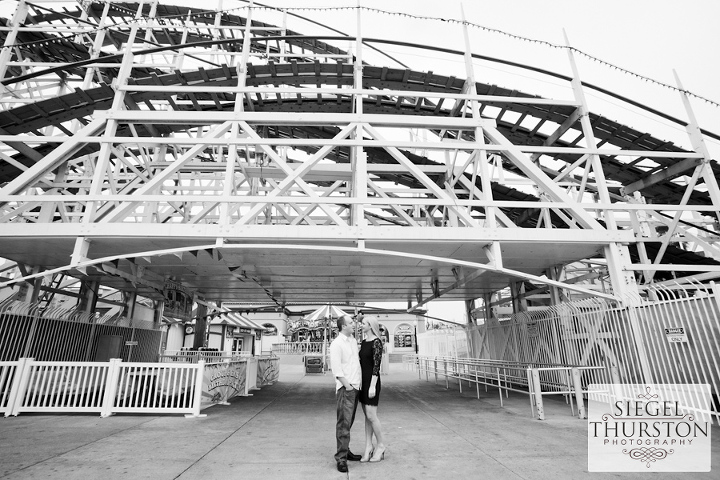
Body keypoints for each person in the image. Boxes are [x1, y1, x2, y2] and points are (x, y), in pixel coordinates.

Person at [329, 314, 363, 472]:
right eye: (350, 322)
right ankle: (341, 458)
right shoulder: (336, 344)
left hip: (355, 386)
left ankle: (346, 450)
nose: (353, 324)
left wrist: (356, 386)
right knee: (343, 423)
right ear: (343, 326)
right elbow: (337, 369)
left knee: (349, 422)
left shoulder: (353, 341)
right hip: (346, 388)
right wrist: (348, 386)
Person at [358, 315, 387, 462]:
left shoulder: (377, 342)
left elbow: (376, 366)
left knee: (371, 416)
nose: (361, 325)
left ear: (371, 325)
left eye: (363, 323)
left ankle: (381, 445)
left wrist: (372, 386)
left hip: (372, 382)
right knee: (367, 417)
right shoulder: (363, 342)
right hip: (363, 382)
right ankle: (368, 446)